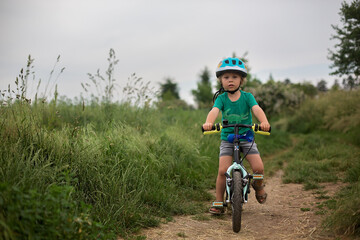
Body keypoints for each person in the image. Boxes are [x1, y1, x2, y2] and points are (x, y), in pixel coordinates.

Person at [202, 57, 271, 215]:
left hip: (246, 137)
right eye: (226, 77)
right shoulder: (221, 98)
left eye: (234, 77)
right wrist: (208, 122)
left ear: (242, 80)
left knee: (258, 168)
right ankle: (219, 201)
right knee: (222, 171)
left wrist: (264, 121)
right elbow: (214, 111)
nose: (230, 80)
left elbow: (256, 109)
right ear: (221, 80)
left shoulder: (247, 97)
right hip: (228, 138)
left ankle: (258, 187)